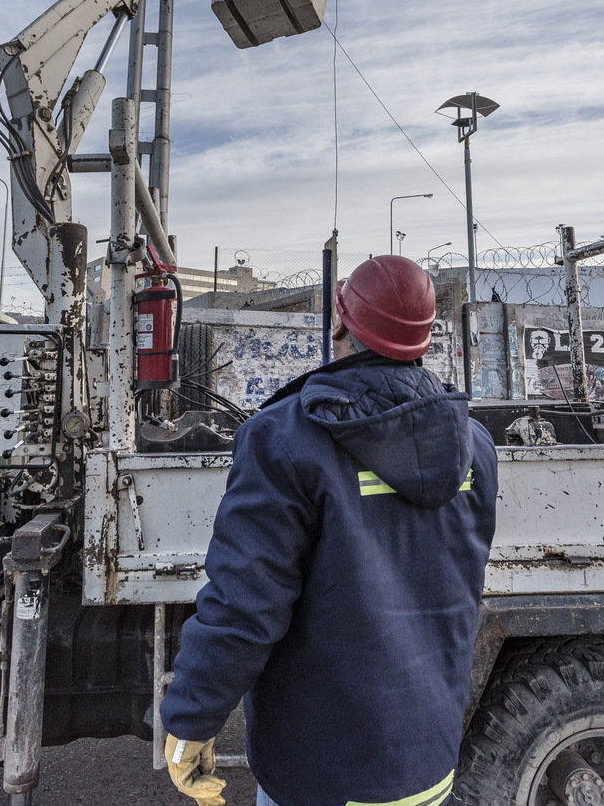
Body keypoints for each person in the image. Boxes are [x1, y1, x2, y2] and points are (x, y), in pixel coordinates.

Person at [159, 255, 498, 806]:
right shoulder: (474, 445)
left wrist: (192, 720)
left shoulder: (285, 439)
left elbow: (245, 605)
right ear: (425, 339)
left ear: (340, 326)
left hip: (324, 774)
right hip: (429, 765)